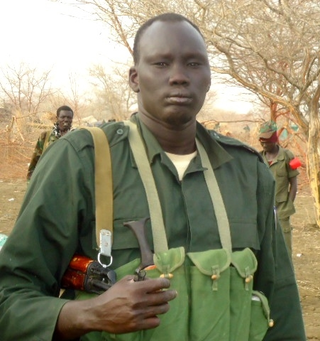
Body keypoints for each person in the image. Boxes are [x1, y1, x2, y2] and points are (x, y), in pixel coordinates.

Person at [0, 13, 306, 341]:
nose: (178, 77)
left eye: (193, 64)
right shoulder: (81, 161)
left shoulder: (246, 171)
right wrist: (88, 314)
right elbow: (10, 297)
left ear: (208, 77)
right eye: (161, 64)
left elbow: (281, 302)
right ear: (134, 78)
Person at [259, 121, 300, 256]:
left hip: (281, 207)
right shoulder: (258, 158)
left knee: (285, 247)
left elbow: (293, 182)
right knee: (264, 245)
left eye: (267, 142)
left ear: (274, 140)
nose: (264, 145)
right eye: (262, 142)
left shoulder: (287, 156)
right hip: (263, 209)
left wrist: (289, 203)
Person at [26, 105, 74, 180]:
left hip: (68, 180)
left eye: (69, 117)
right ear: (57, 118)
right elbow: (35, 162)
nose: (66, 120)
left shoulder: (75, 138)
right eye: (63, 117)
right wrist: (31, 183)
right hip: (47, 180)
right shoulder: (45, 137)